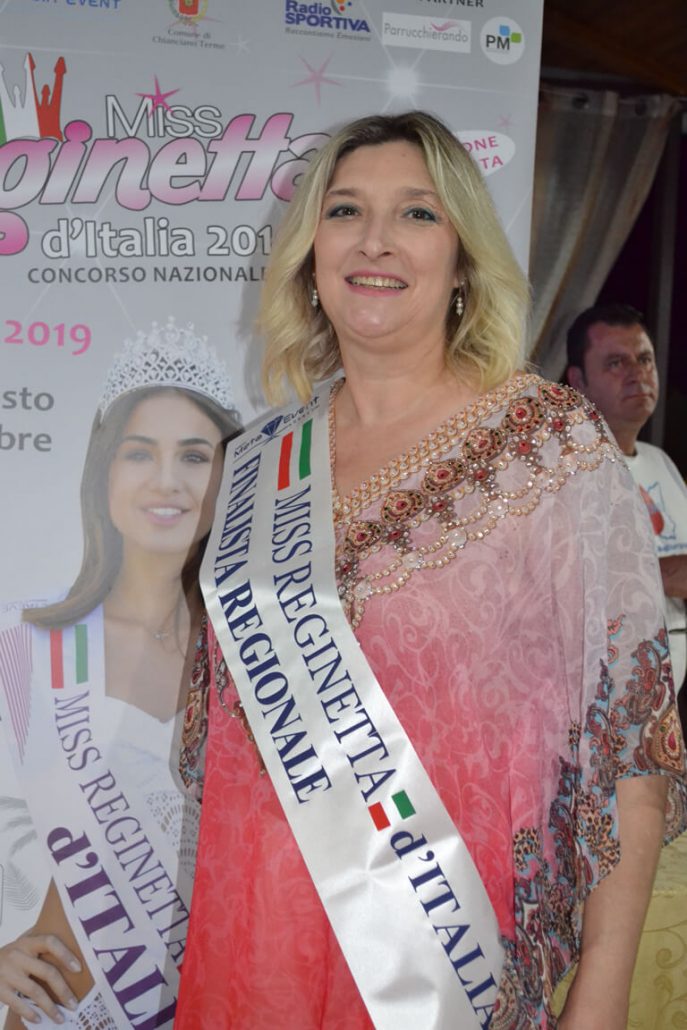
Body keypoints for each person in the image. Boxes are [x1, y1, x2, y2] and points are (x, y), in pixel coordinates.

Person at [175, 113, 687, 1030]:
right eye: (344, 210)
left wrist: (600, 993)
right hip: (260, 940)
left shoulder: (545, 446)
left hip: (448, 956)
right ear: (310, 253)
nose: (373, 240)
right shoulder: (258, 460)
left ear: (462, 262)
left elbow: (632, 743)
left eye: (416, 213)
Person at [0, 319, 241, 1029]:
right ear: (103, 472)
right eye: (139, 453)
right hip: (59, 1013)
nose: (167, 481)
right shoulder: (22, 642)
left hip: (225, 1003)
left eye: (194, 456)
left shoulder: (258, 654)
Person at [566, 303, 687, 729]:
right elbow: (580, 582)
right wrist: (667, 575)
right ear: (578, 381)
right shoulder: (567, 468)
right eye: (616, 363)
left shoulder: (660, 462)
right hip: (596, 710)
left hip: (660, 714)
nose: (637, 374)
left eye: (645, 359)